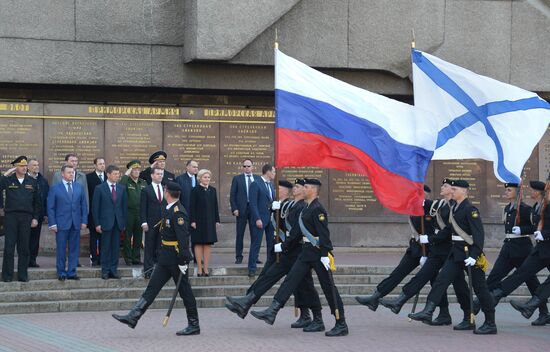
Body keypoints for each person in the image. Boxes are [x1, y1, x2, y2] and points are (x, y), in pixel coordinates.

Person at [250, 178, 348, 337]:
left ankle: (341, 323)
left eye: (306, 187)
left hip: (318, 253)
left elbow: (324, 235)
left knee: (329, 288)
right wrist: (284, 245)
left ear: (313, 190)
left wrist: (324, 254)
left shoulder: (318, 209)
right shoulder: (306, 208)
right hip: (306, 253)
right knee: (291, 280)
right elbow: (296, 231)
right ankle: (273, 310)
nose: (303, 189)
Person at [225, 179, 324, 331]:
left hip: (297, 251)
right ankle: (247, 301)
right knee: (276, 277)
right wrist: (273, 208)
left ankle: (317, 318)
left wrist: (283, 245)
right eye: (297, 186)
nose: (298, 189)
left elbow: (297, 231)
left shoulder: (303, 207)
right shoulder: (292, 205)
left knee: (305, 286)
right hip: (288, 252)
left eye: (300, 187)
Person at [409, 180, 497, 335]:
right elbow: (448, 231)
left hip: (469, 253)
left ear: (464, 191)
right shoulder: (455, 209)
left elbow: (479, 235)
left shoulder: (470, 209)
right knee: (441, 280)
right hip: (456, 253)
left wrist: (475, 255)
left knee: (480, 289)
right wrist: (430, 239)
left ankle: (490, 322)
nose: (453, 191)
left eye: (455, 189)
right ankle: (429, 310)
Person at [112, 182, 199, 336]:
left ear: (168, 193)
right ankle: (134, 316)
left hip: (177, 259)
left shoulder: (178, 212)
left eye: (165, 190)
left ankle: (194, 324)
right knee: (152, 288)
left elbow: (183, 238)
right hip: (165, 258)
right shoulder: (169, 209)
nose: (164, 192)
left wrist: (185, 259)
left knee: (185, 292)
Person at [378, 181, 455, 326]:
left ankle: (475, 310)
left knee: (459, 285)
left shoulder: (455, 207)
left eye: (445, 186)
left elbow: (449, 230)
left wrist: (429, 241)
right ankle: (404, 303)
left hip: (451, 250)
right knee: (428, 279)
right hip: (437, 250)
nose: (442, 187)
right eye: (442, 185)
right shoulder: (439, 205)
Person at [474, 178, 550, 323]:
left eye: (509, 190)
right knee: (500, 276)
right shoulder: (515, 208)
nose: (506, 192)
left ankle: (542, 311)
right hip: (512, 247)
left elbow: (534, 227)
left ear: (517, 192)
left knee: (530, 281)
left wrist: (525, 230)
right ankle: (487, 299)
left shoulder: (527, 208)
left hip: (523, 249)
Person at [355, 185, 432, 312]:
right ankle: (375, 297)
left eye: (421, 195)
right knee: (397, 274)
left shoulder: (431, 210)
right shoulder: (412, 209)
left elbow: (435, 231)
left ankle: (443, 312)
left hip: (429, 250)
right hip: (415, 248)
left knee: (435, 282)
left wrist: (427, 251)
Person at [0, 156, 41, 282]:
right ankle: (7, 276)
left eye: (25, 166)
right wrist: (6, 173)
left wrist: (35, 218)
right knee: (9, 247)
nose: (24, 168)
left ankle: (23, 275)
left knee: (24, 247)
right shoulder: (8, 180)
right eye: (21, 166)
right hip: (11, 216)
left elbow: (37, 203)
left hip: (26, 217)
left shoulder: (32, 181)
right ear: (15, 167)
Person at [47, 165, 88, 280]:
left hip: (75, 223)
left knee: (74, 249)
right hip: (61, 223)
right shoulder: (55, 188)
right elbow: (50, 207)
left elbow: (83, 205)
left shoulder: (79, 187)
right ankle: (61, 272)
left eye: (73, 172)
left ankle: (72, 272)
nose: (71, 174)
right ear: (62, 174)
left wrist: (84, 220)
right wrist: (52, 223)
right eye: (69, 172)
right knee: (61, 249)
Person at [92, 165, 128, 280]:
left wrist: (124, 223)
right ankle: (105, 270)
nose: (118, 176)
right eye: (115, 174)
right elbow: (95, 208)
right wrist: (97, 223)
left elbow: (124, 207)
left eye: (118, 174)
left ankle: (113, 270)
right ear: (108, 174)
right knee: (106, 247)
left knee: (115, 248)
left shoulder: (122, 188)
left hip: (117, 223)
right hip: (105, 223)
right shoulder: (99, 188)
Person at [229, 159, 262, 265]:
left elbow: (260, 195)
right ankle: (239, 256)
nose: (247, 168)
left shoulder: (257, 178)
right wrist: (234, 209)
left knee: (255, 234)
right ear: (242, 167)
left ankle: (255, 256)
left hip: (254, 210)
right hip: (241, 210)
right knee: (240, 234)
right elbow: (232, 195)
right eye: (245, 166)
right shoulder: (237, 179)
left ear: (253, 167)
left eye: (248, 166)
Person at [189, 169, 220, 276]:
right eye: (205, 177)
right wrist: (192, 220)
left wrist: (217, 220)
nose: (207, 179)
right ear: (200, 178)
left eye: (208, 177)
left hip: (210, 221)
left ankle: (206, 268)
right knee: (198, 243)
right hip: (198, 221)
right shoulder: (195, 190)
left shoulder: (213, 190)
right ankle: (199, 267)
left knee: (207, 244)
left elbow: (215, 206)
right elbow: (191, 207)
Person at [247, 164, 276, 277]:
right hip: (259, 219)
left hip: (270, 219)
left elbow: (270, 200)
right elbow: (253, 203)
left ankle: (269, 267)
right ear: (267, 172)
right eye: (273, 171)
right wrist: (257, 218)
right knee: (256, 243)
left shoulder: (271, 184)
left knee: (271, 244)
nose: (274, 174)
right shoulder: (256, 184)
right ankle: (252, 268)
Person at [140, 167, 167, 278]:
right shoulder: (146, 190)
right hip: (150, 223)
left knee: (161, 247)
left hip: (163, 223)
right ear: (152, 175)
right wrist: (144, 222)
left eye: (161, 174)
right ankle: (148, 270)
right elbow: (142, 208)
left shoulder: (165, 189)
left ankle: (160, 271)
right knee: (149, 248)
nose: (160, 175)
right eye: (158, 174)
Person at [120, 160, 147, 265]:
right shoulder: (126, 182)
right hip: (129, 213)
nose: (136, 171)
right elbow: (120, 187)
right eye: (134, 169)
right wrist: (126, 174)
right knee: (127, 236)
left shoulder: (143, 182)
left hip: (140, 213)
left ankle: (136, 257)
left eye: (138, 169)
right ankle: (128, 258)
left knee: (138, 236)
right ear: (130, 171)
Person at [26, 158, 49, 268]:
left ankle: (32, 260)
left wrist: (45, 214)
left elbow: (46, 198)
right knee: (25, 238)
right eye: (34, 165)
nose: (36, 167)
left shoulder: (42, 180)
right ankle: (24, 260)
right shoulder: (24, 179)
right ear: (28, 167)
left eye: (37, 165)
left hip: (38, 215)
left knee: (35, 239)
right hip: (25, 215)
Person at [176, 160, 199, 263]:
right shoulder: (180, 179)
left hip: (197, 214)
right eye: (194, 167)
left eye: (197, 167)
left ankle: (196, 256)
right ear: (187, 167)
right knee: (184, 236)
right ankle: (185, 255)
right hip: (184, 213)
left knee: (196, 236)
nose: (196, 169)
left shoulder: (199, 179)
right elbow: (177, 198)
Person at [86, 157, 107, 266]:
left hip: (106, 213)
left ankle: (103, 258)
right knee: (94, 236)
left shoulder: (108, 176)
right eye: (100, 164)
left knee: (104, 237)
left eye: (103, 163)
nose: (102, 165)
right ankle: (94, 258)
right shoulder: (89, 177)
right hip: (94, 212)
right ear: (95, 165)